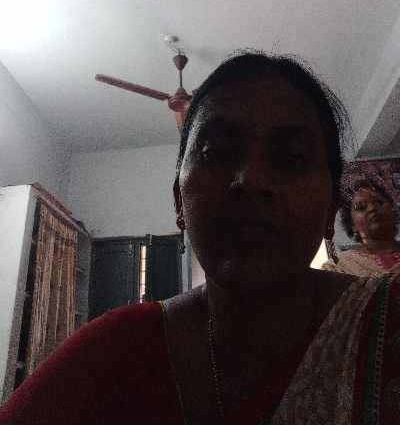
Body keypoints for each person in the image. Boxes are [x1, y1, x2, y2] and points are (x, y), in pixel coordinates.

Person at [1, 50, 400, 424]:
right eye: (216, 152)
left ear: (331, 208)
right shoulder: (116, 350)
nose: (252, 180)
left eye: (291, 158)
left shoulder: (387, 323)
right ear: (179, 199)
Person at [322, 177, 400, 277]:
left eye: (379, 202)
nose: (372, 208)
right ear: (352, 225)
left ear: (393, 211)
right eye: (361, 207)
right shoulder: (339, 267)